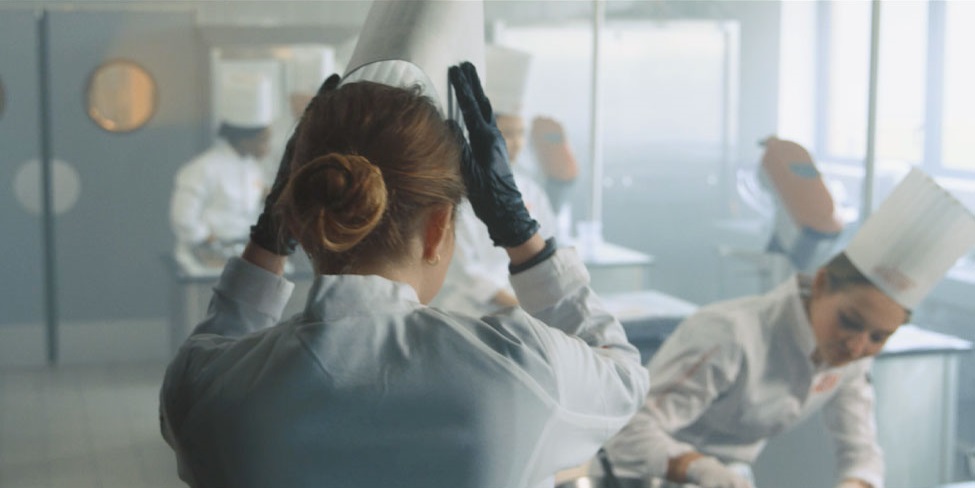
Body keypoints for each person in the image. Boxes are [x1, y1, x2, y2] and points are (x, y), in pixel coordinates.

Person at [159, 41, 649, 488]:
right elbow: (623, 376)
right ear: (438, 228)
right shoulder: (521, 369)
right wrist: (522, 235)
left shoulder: (214, 390)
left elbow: (204, 356)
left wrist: (267, 243)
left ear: (302, 221)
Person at [596, 168, 975, 488]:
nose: (858, 346)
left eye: (880, 337)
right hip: (640, 475)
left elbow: (860, 450)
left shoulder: (849, 356)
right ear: (822, 283)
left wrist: (856, 482)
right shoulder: (730, 334)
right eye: (850, 322)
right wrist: (699, 468)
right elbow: (629, 431)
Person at [432, 45, 577, 316]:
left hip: (529, 309)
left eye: (521, 133)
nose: (516, 143)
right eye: (507, 132)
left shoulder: (531, 190)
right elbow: (466, 274)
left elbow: (554, 248)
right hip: (470, 314)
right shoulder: (455, 191)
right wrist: (526, 305)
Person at [169, 72, 274, 270]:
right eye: (263, 140)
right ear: (244, 139)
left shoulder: (252, 168)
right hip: (204, 259)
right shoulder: (203, 168)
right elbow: (183, 217)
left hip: (239, 256)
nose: (268, 146)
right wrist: (210, 240)